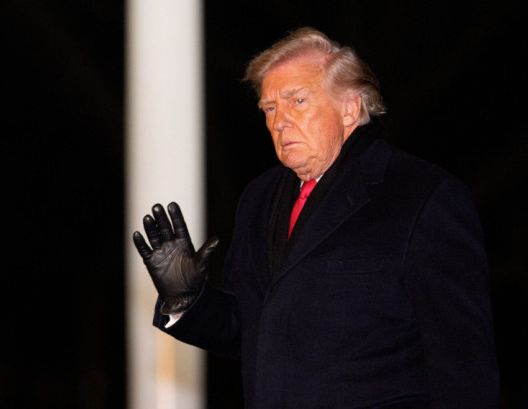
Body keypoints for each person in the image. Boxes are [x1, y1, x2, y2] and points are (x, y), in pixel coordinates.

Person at [133, 27, 499, 408]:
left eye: (298, 100)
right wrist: (188, 300)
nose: (280, 121)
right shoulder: (258, 199)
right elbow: (253, 330)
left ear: (350, 108)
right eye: (269, 108)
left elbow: (464, 369)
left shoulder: (422, 197)